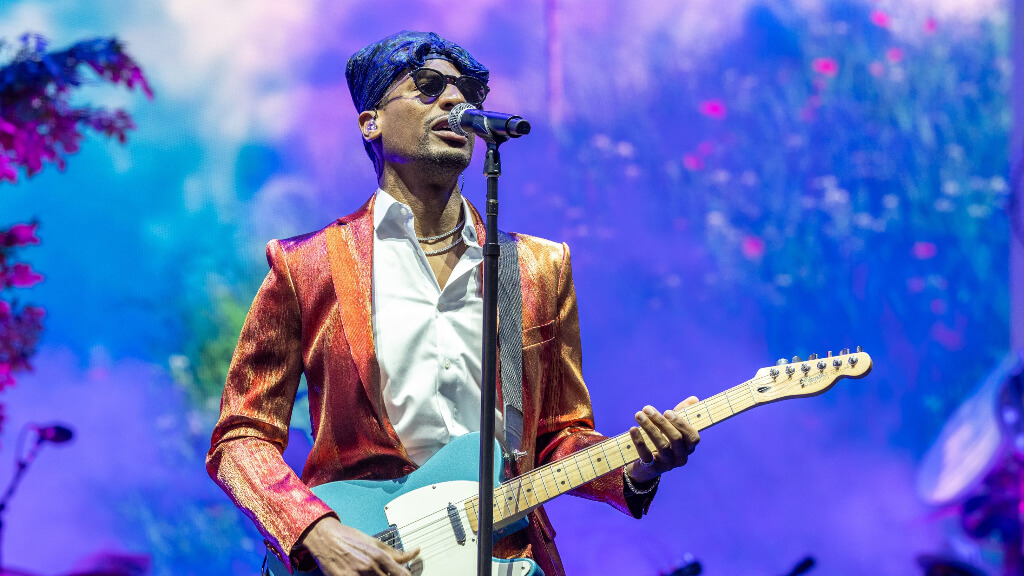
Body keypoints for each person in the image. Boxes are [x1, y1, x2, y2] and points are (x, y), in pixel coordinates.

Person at [206, 30, 701, 576]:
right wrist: (314, 531)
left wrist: (638, 466)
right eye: (428, 87)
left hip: (504, 559)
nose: (455, 102)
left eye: (467, 92)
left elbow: (556, 436)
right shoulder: (306, 265)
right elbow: (242, 434)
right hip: (368, 556)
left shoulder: (536, 268)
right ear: (370, 121)